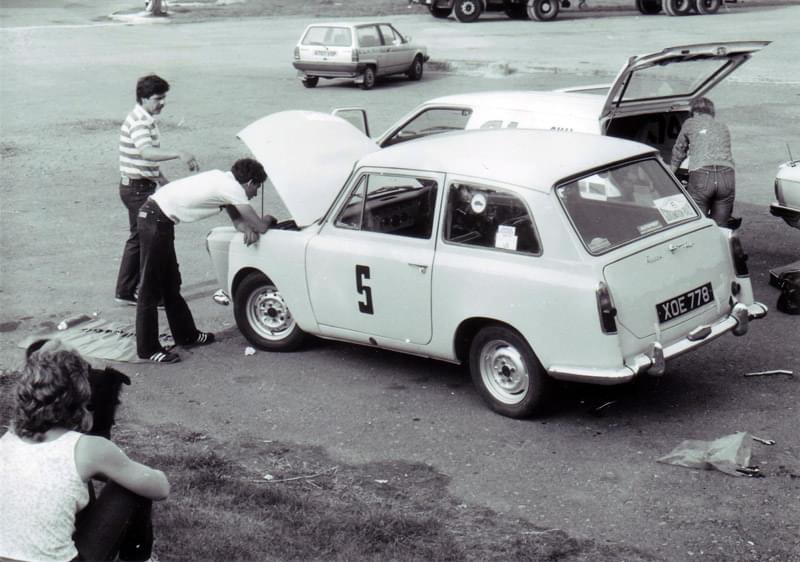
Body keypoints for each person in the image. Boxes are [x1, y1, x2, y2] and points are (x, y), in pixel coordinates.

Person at [0, 340, 170, 562]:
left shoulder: (7, 440)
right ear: (81, 395)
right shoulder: (89, 448)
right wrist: (118, 470)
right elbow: (160, 488)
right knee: (133, 486)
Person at [136, 157, 276, 363]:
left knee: (171, 283)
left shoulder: (224, 181)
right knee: (150, 287)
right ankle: (147, 349)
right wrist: (269, 218)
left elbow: (239, 222)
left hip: (157, 219)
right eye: (257, 188)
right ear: (249, 183)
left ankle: (187, 335)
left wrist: (247, 229)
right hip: (154, 220)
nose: (255, 194)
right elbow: (261, 226)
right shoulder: (233, 188)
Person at [115, 74, 199, 307]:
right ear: (143, 98)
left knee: (138, 238)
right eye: (157, 98)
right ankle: (152, 294)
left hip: (135, 186)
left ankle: (125, 291)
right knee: (153, 239)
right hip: (137, 190)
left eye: (163, 98)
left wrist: (161, 180)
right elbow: (146, 153)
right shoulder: (140, 122)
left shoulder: (143, 118)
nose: (162, 103)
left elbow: (143, 160)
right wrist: (179, 153)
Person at [670, 96, 736, 227]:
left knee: (698, 226)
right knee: (721, 227)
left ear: (694, 111)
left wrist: (671, 173)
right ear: (712, 112)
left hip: (702, 174)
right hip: (727, 175)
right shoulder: (723, 126)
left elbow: (679, 150)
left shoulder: (690, 123)